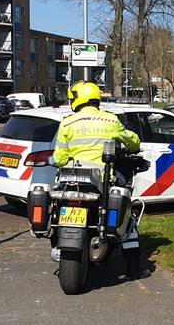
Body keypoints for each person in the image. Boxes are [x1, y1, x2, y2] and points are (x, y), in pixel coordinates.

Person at [53, 81, 151, 280]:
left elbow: (59, 159)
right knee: (128, 219)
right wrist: (132, 145)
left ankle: (57, 240)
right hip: (103, 180)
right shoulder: (111, 121)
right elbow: (132, 142)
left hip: (72, 179)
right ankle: (134, 267)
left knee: (56, 207)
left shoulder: (67, 122)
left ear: (78, 99)